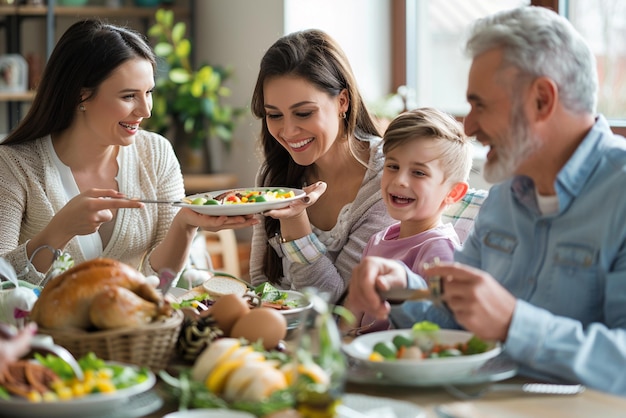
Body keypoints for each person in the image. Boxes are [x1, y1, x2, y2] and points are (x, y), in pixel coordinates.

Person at [346, 6, 626, 396]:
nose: (470, 126)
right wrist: (403, 289)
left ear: (542, 100)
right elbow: (453, 321)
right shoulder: (503, 201)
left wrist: (515, 323)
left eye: (481, 105)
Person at [0, 20, 257, 287]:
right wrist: (59, 231)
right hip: (39, 327)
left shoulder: (156, 153)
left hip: (133, 323)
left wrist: (185, 224)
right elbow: (2, 282)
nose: (146, 110)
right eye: (128, 96)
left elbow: (161, 281)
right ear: (81, 97)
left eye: (149, 93)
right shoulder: (13, 165)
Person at [248, 29, 395, 304]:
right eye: (274, 115)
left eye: (304, 113)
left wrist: (294, 220)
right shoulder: (274, 174)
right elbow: (261, 283)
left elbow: (337, 305)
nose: (288, 131)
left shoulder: (387, 178)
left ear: (342, 101)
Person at [342, 107, 472, 334]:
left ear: (453, 193)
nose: (400, 180)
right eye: (393, 166)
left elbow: (433, 329)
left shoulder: (440, 251)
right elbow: (355, 314)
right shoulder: (378, 239)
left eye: (419, 173)